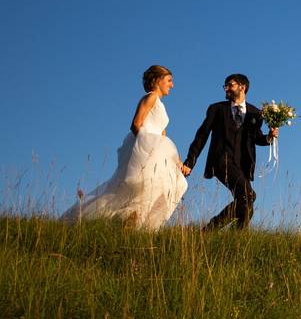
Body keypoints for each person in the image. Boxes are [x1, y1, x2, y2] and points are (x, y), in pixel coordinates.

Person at [62, 65, 189, 229]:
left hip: (157, 152)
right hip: (146, 151)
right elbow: (136, 124)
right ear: (157, 80)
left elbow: (163, 138)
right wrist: (147, 148)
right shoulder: (150, 98)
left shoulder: (162, 106)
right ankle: (121, 225)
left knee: (172, 187)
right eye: (169, 80)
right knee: (138, 192)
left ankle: (141, 228)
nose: (172, 85)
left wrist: (178, 163)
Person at [182, 73, 278, 230]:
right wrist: (190, 161)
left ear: (242, 87)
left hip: (243, 164)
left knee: (246, 202)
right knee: (249, 195)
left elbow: (257, 138)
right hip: (221, 160)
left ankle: (236, 239)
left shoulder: (256, 113)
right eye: (225, 85)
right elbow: (202, 135)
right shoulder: (216, 109)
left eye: (230, 85)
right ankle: (210, 230)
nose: (226, 88)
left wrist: (269, 137)